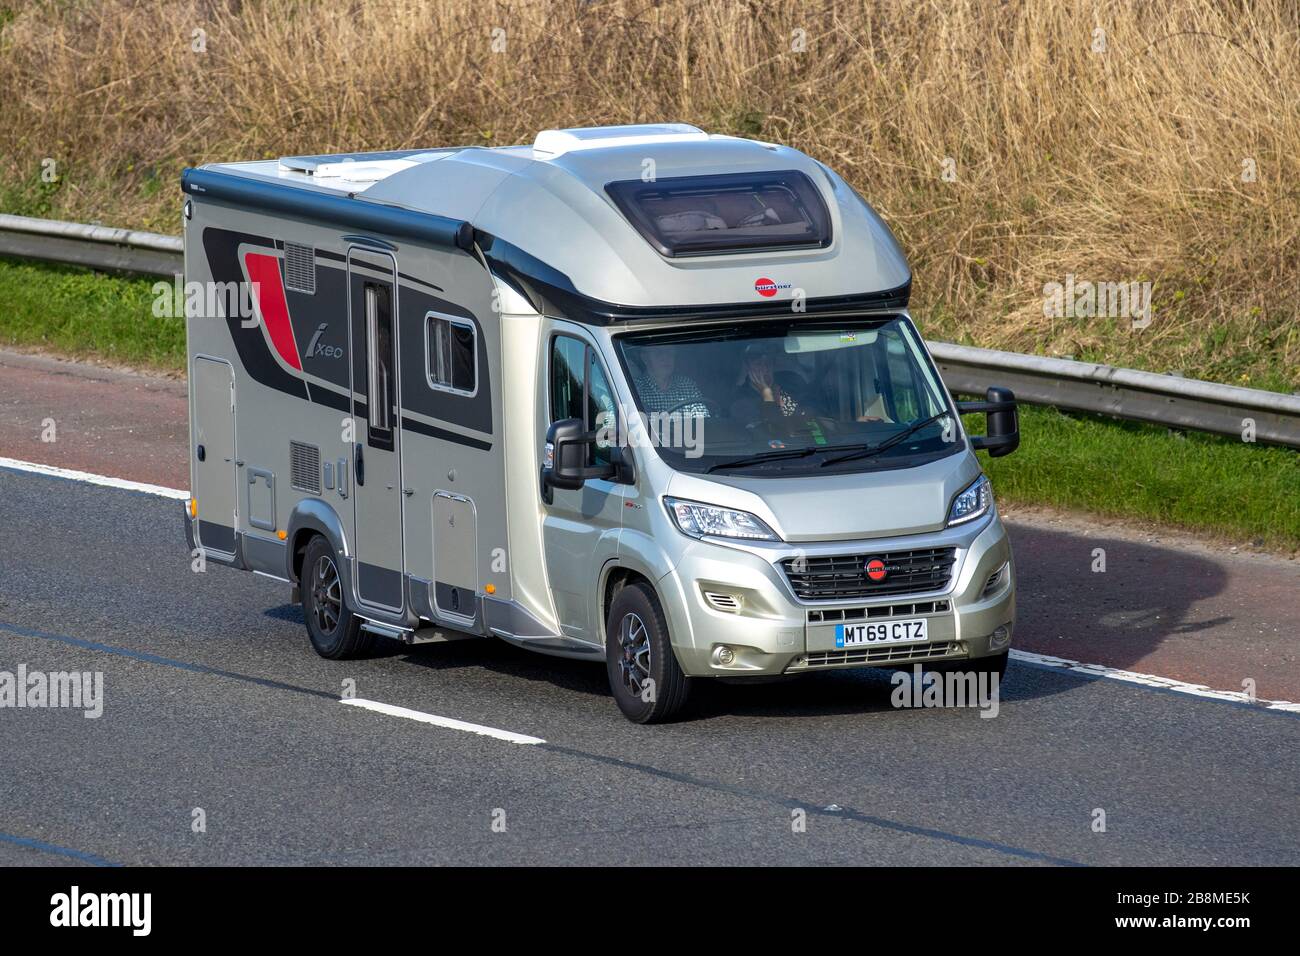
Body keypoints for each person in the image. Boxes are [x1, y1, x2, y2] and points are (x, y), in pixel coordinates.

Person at [730, 343, 818, 428]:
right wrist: (767, 395)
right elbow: (773, 426)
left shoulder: (791, 380)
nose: (765, 369)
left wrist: (805, 411)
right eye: (758, 364)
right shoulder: (740, 399)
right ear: (747, 368)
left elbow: (813, 408)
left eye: (768, 363)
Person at [632, 348, 710, 417]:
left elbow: (703, 423)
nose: (665, 357)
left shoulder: (687, 385)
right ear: (645, 358)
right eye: (658, 353)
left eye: (669, 352)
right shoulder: (634, 389)